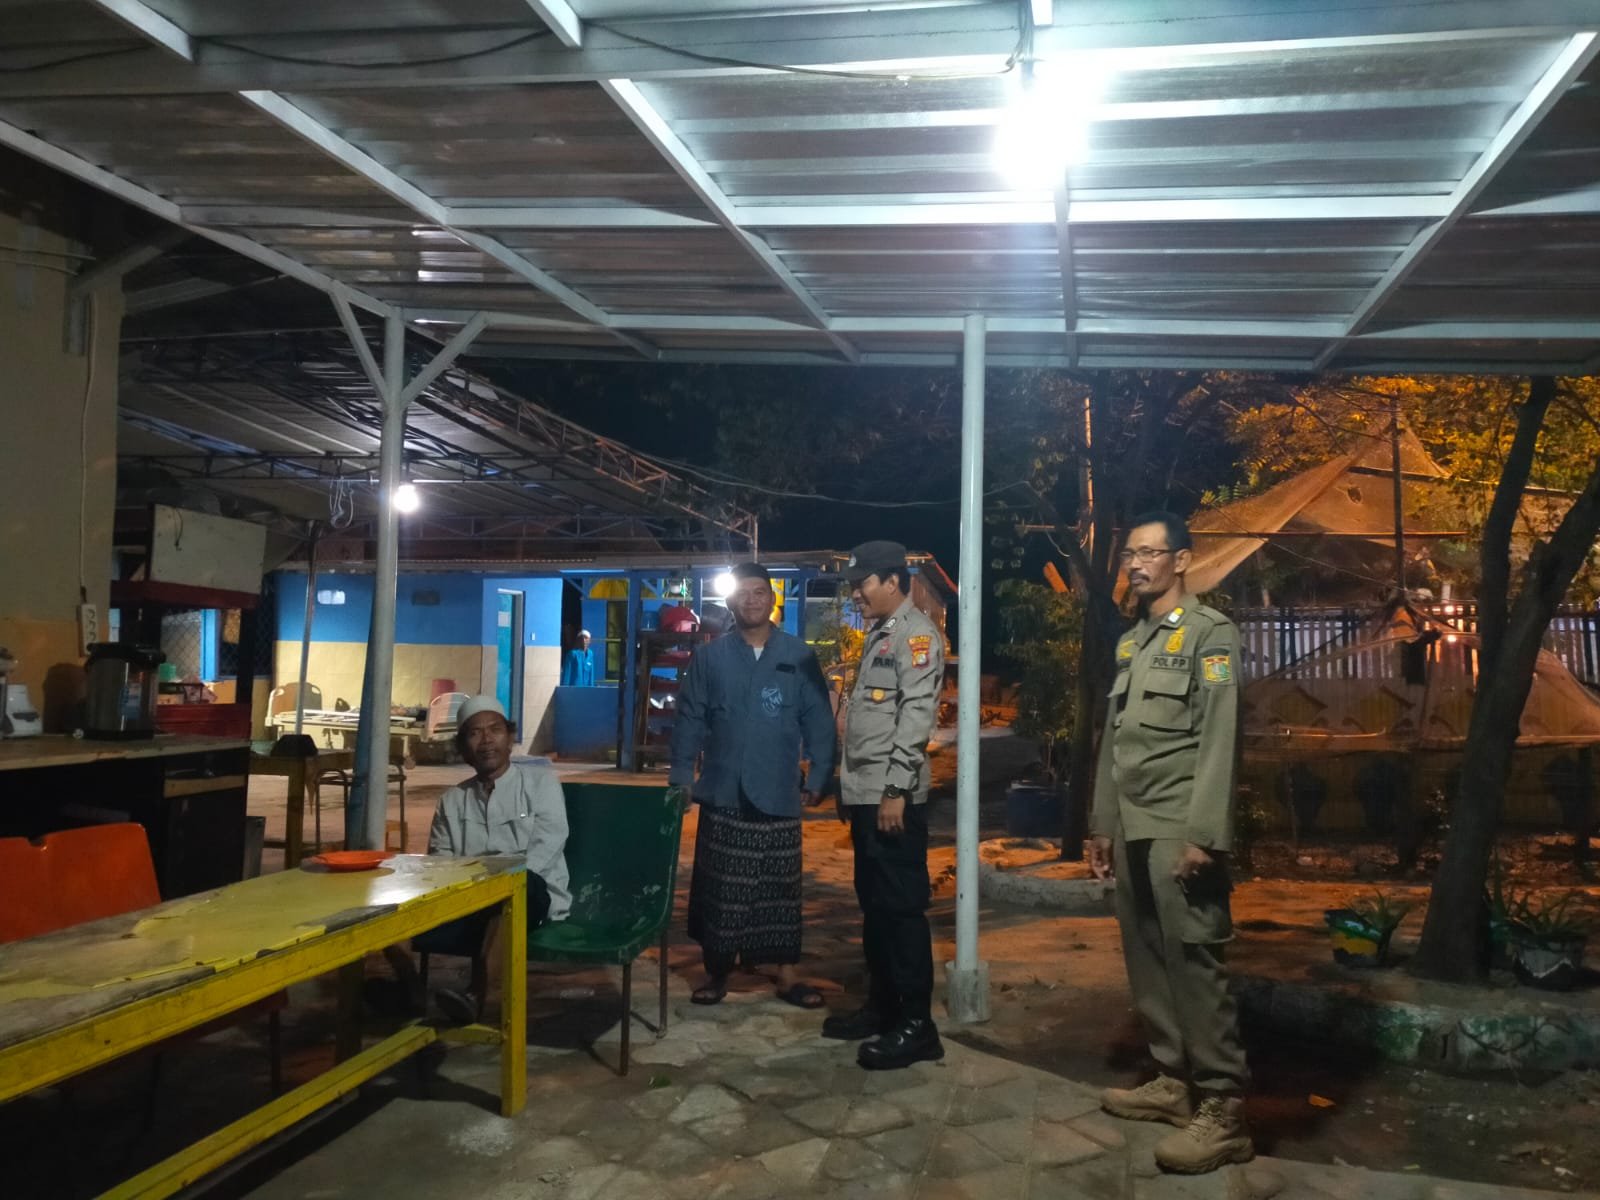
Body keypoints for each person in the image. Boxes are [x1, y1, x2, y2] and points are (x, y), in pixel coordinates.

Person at [1088, 511, 1253, 1174]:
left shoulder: (1211, 634)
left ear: (1181, 560)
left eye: (1150, 553)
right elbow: (1117, 737)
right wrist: (1102, 823)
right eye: (1130, 554)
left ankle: (1223, 1108)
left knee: (1194, 962)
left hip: (1179, 824)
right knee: (1148, 956)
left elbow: (1220, 735)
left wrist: (1205, 835)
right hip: (1133, 823)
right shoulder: (1134, 642)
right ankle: (1173, 1081)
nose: (1136, 565)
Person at [668, 562, 837, 1008]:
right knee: (720, 889)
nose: (752, 600)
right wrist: (681, 775)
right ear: (731, 601)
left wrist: (821, 773)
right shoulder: (711, 657)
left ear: (772, 600)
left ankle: (787, 975)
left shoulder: (798, 654)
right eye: (743, 593)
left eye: (760, 592)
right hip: (723, 790)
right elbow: (689, 719)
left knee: (780, 891)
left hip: (779, 790)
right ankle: (717, 973)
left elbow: (819, 719)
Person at [824, 541, 945, 1070]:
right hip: (867, 794)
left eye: (863, 583)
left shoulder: (916, 636)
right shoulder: (881, 633)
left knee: (901, 911)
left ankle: (918, 1027)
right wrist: (847, 786)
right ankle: (883, 1008)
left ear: (893, 581)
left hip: (891, 798)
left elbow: (915, 717)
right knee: (875, 908)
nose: (856, 593)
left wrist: (895, 789)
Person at [405, 695, 571, 1023]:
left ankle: (477, 994)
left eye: (494, 730)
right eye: (474, 733)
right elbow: (441, 863)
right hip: (470, 901)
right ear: (463, 747)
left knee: (517, 890)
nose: (486, 740)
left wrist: (497, 886)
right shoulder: (452, 800)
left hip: (529, 896)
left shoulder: (540, 784)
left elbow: (546, 846)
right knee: (387, 908)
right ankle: (410, 991)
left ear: (510, 738)